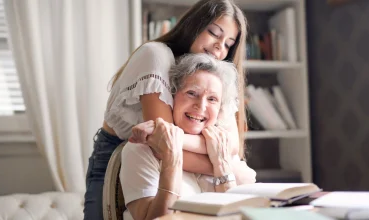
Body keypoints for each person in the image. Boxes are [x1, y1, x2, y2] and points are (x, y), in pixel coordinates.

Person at [83, 0, 255, 219]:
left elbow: (230, 144)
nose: (219, 47)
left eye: (229, 44)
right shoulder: (155, 55)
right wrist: (224, 166)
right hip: (121, 154)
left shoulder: (216, 75)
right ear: (193, 25)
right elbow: (162, 147)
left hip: (172, 159)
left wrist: (163, 136)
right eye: (213, 33)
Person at [121, 53, 240, 220]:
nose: (201, 106)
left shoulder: (220, 148)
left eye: (212, 99)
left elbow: (236, 216)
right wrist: (171, 158)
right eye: (192, 93)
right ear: (172, 96)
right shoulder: (141, 151)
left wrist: (222, 165)